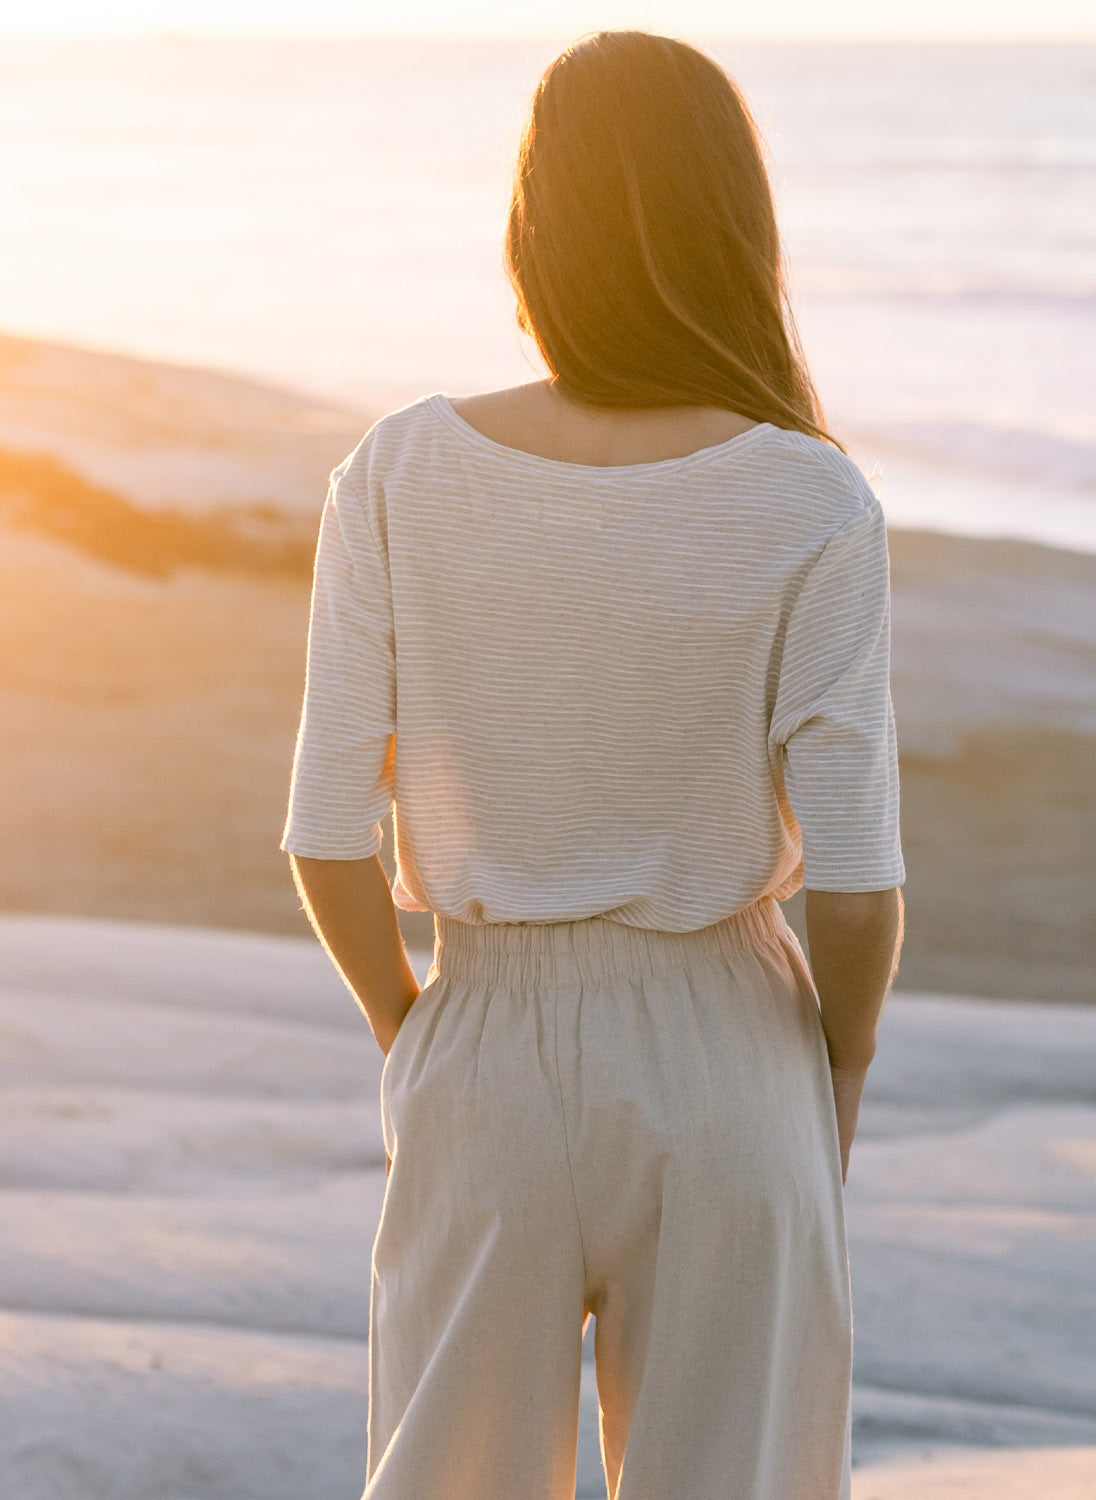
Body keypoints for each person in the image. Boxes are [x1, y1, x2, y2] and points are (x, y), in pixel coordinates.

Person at [281, 27, 905, 1500]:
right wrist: (839, 1067)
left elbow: (324, 832)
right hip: (730, 1045)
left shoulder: (400, 471)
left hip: (485, 1041)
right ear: (735, 229)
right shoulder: (810, 498)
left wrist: (415, 1030)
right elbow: (861, 885)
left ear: (531, 229)